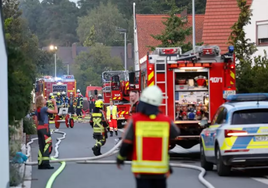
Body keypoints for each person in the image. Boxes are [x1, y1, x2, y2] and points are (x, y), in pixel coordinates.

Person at [116, 85, 180, 188]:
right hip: (160, 171)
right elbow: (175, 133)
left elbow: (127, 142)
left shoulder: (135, 120)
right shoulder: (165, 121)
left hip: (142, 171)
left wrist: (120, 158)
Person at [34, 95, 58, 169]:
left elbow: (35, 121)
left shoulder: (37, 110)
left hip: (39, 129)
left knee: (41, 146)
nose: (45, 100)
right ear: (41, 101)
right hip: (45, 129)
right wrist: (54, 103)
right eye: (44, 99)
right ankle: (46, 164)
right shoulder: (44, 108)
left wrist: (38, 127)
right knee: (47, 145)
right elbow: (55, 112)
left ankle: (40, 163)